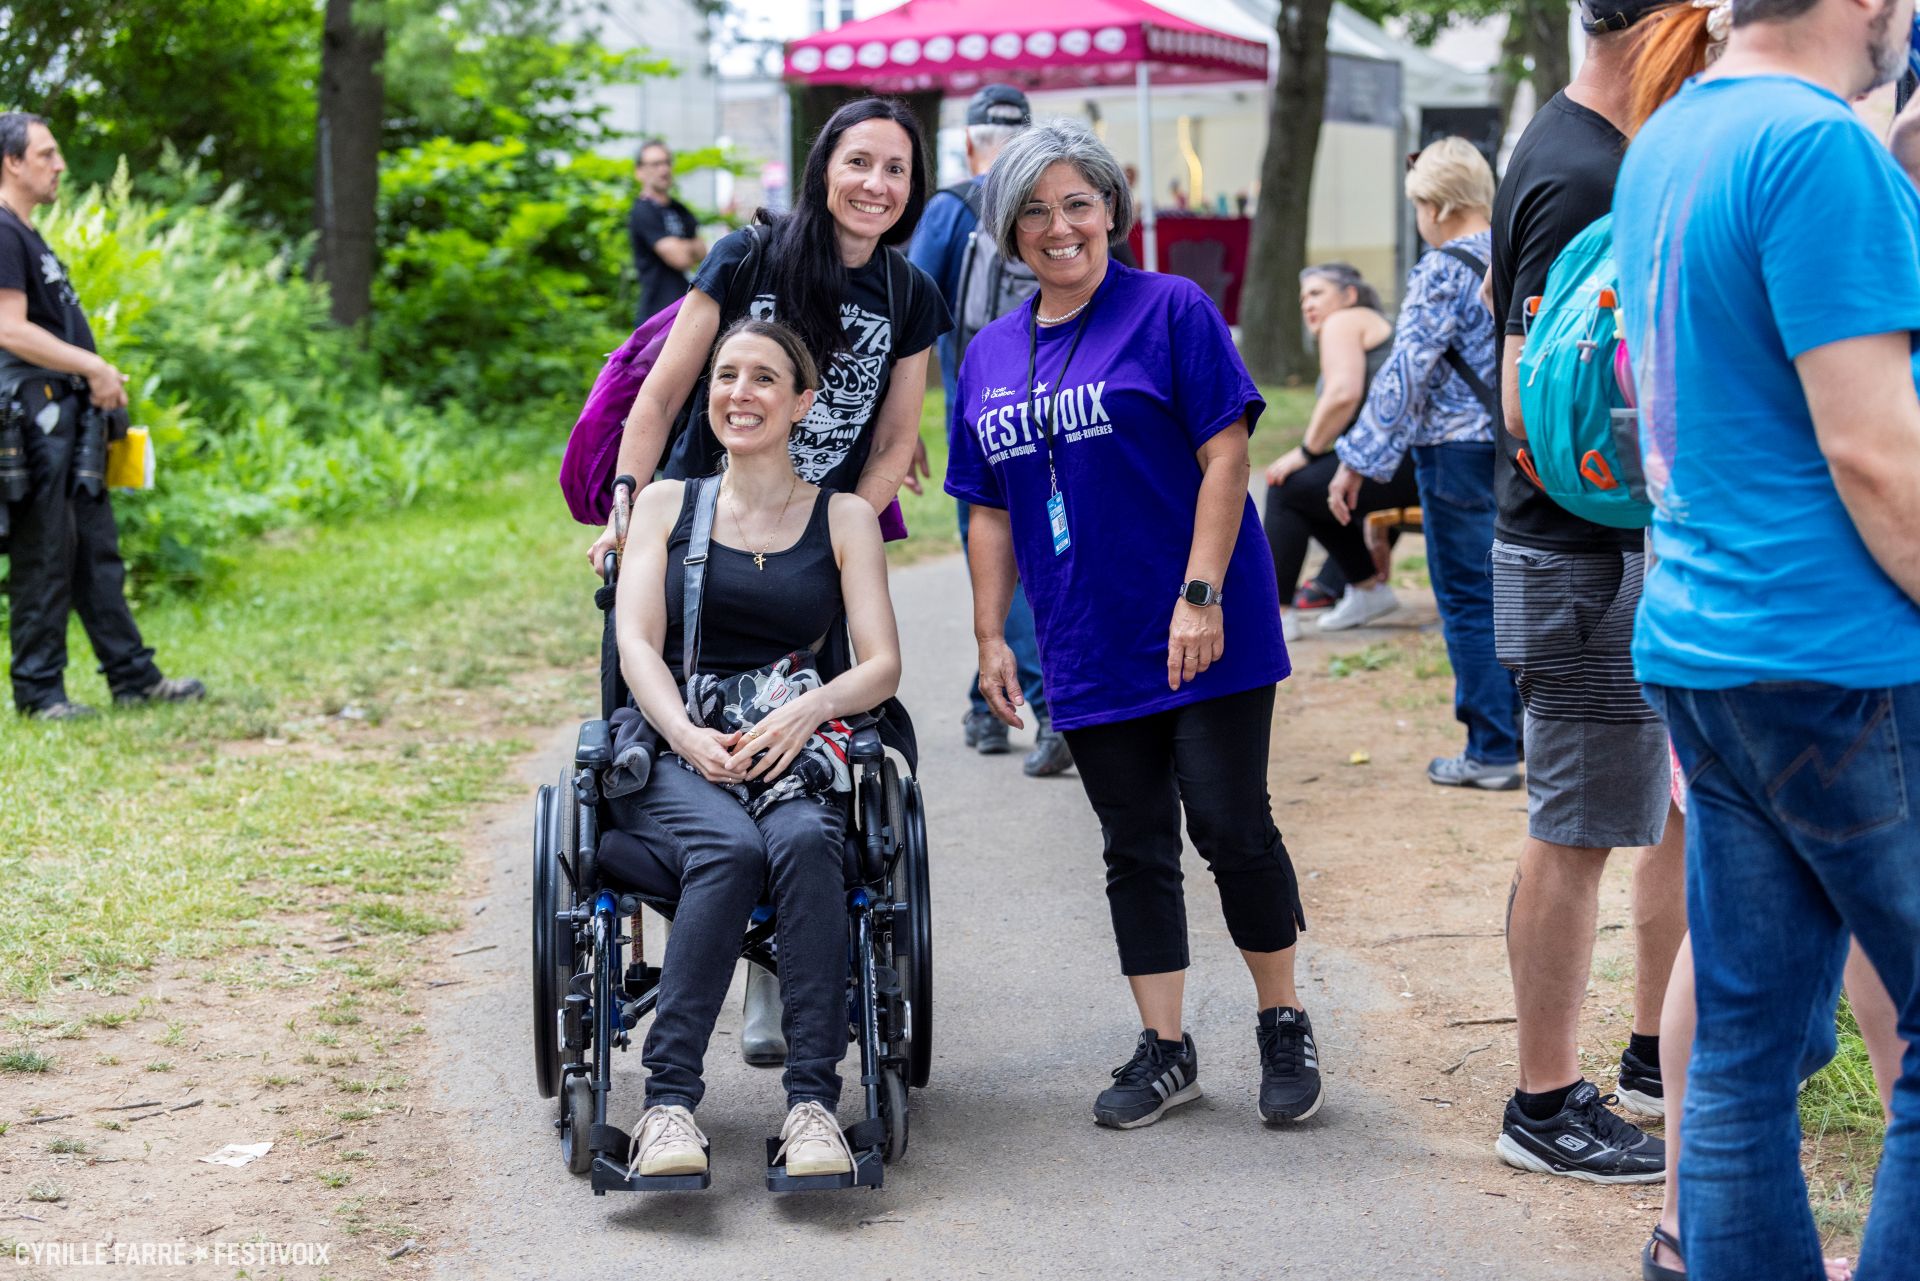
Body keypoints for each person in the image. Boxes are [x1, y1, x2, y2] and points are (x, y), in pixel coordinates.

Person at [1614, 0, 1920, 1271]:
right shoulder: (1818, 147)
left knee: (1742, 1045)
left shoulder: (1671, 134)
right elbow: (1874, 451)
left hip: (1709, 644)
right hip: (1838, 654)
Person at [948, 119, 1318, 1130]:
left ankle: (1282, 1020)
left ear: (1110, 208)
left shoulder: (1171, 308)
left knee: (1230, 824)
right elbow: (987, 510)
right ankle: (1167, 1048)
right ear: (1009, 230)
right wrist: (990, 636)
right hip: (1086, 635)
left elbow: (1227, 456)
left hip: (1205, 622)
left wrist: (1200, 594)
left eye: (1077, 202)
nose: (1058, 226)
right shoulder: (987, 353)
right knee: (1134, 842)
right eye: (1033, 210)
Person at [587, 96, 947, 1067]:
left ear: (913, 188)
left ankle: (775, 967)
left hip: (806, 544)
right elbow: (665, 392)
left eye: (897, 169)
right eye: (859, 162)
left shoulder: (910, 294)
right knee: (667, 736)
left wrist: (836, 536)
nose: (876, 184)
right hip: (698, 532)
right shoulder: (750, 257)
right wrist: (627, 507)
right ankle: (709, 925)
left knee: (801, 761)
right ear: (824, 165)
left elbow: (896, 440)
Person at [608, 319, 902, 1180]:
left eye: (764, 378)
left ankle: (813, 1105)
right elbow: (636, 643)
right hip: (675, 741)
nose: (740, 392)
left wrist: (813, 706)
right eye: (726, 375)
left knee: (808, 841)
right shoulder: (667, 504)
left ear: (802, 402)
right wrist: (685, 734)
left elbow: (881, 664)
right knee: (729, 848)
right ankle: (668, 1106)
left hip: (791, 738)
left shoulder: (844, 516)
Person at [1487, 0, 1685, 1184]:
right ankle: (1544, 1104)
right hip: (1581, 557)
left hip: (1596, 552)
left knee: (1642, 815)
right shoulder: (1581, 171)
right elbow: (1528, 395)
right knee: (1572, 833)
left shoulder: (1585, 146)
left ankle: (1649, 1055)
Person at [1324, 139, 1522, 791]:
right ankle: (1523, 729)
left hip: (1455, 453)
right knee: (1516, 591)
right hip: (1519, 445)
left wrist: (1356, 461)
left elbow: (1405, 373)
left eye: (1417, 207)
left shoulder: (1442, 268)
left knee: (1467, 599)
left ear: (1435, 206)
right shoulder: (1516, 250)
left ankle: (1491, 749)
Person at [0, 111, 203, 721]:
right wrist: (93, 366)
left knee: (94, 552)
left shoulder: (26, 234)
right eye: (46, 154)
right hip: (34, 420)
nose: (59, 165)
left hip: (66, 418)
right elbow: (8, 328)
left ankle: (133, 677)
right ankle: (39, 693)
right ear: (11, 162)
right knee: (46, 554)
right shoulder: (2, 232)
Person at [907, 83, 1070, 777]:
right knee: (1047, 548)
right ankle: (986, 703)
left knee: (1000, 558)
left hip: (982, 415)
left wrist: (900, 424)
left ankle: (1051, 705)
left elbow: (909, 314)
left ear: (971, 143)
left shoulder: (952, 208)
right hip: (1067, 406)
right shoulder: (1057, 203)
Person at [1260, 263, 1413, 637]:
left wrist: (1307, 453)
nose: (1307, 305)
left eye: (1317, 293)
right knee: (1311, 490)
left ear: (1349, 295)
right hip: (1410, 462)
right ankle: (1367, 590)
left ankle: (1276, 616)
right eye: (1303, 299)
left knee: (1287, 488)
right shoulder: (1367, 323)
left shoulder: (1343, 321)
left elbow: (1343, 394)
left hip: (1405, 462)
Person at [629, 139, 706, 326]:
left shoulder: (679, 209)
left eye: (667, 162)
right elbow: (680, 258)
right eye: (655, 164)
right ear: (639, 172)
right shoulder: (643, 211)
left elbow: (703, 252)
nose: (664, 169)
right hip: (657, 315)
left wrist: (683, 247)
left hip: (686, 308)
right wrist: (688, 248)